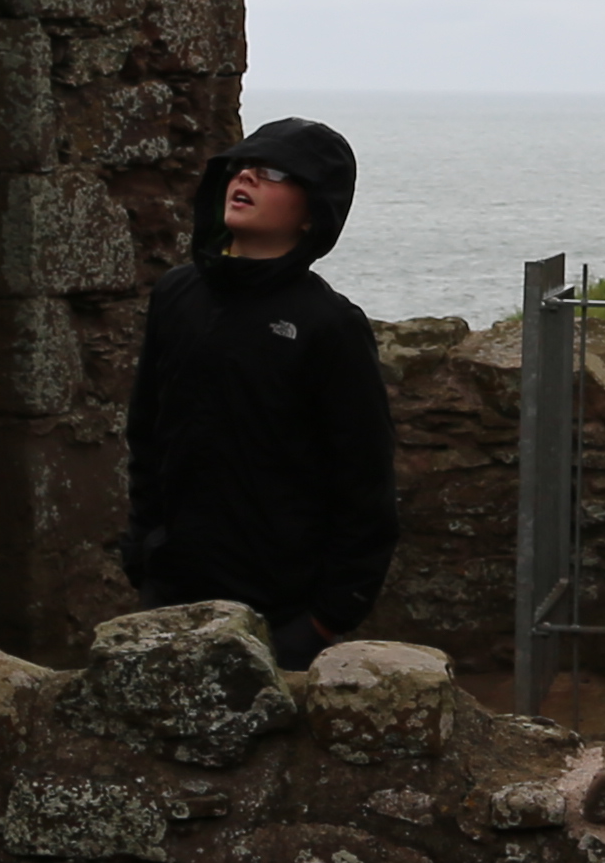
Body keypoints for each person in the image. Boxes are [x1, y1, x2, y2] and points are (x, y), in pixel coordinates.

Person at [120, 117, 399, 670]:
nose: (245, 174)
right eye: (241, 165)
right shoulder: (177, 294)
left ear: (312, 211)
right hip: (171, 594)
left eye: (274, 172)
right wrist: (143, 553)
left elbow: (365, 484)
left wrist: (325, 619)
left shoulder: (329, 326)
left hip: (282, 612)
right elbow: (147, 434)